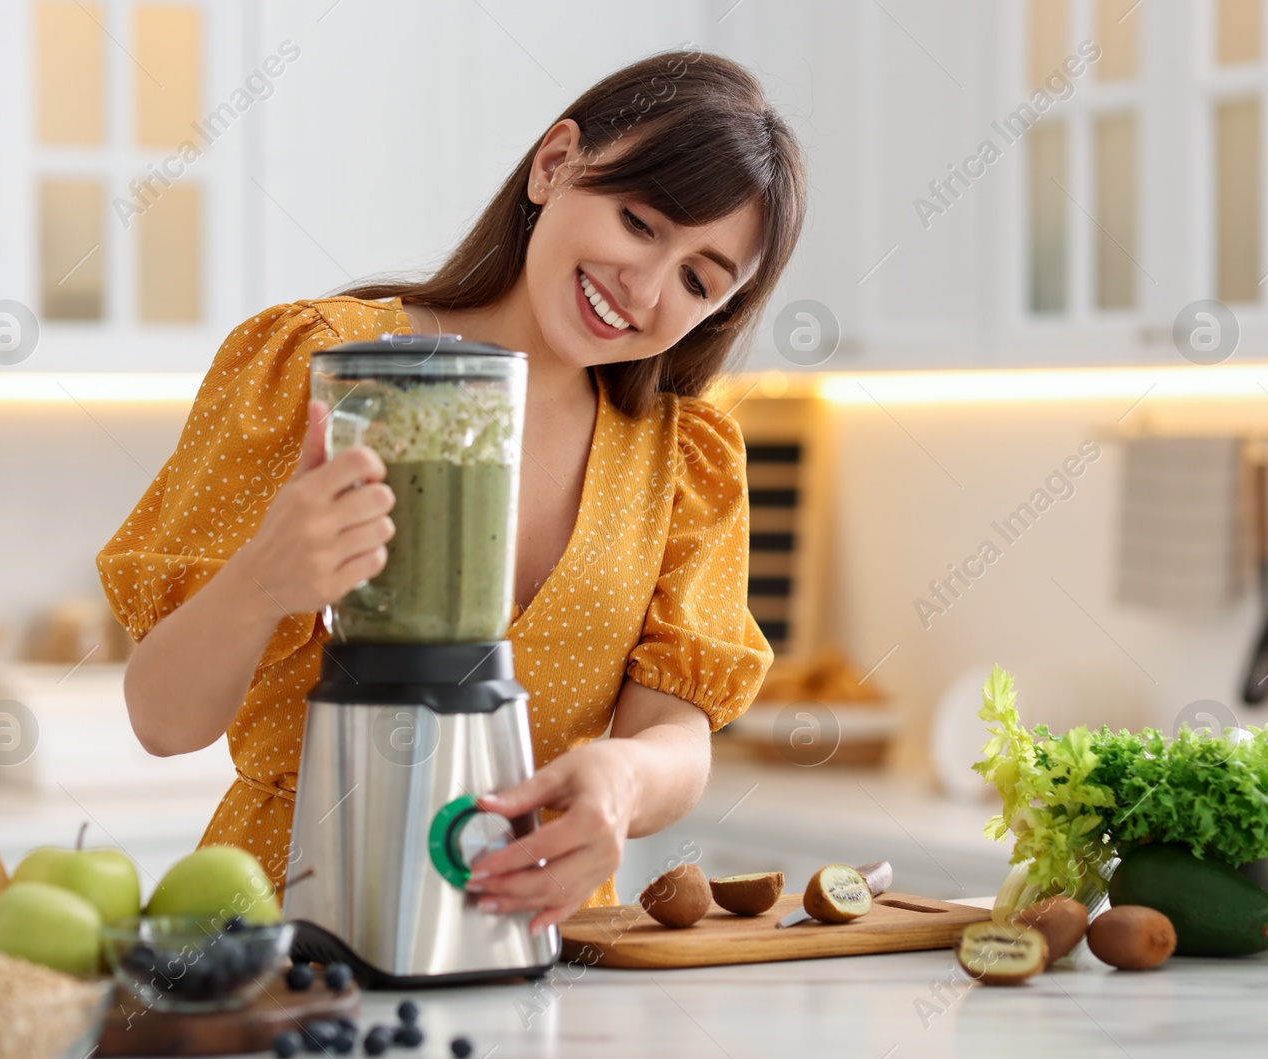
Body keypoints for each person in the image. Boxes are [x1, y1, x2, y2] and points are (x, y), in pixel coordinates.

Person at [96, 49, 807, 934]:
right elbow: (162, 720)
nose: (647, 286)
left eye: (700, 279)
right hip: (278, 934)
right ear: (555, 166)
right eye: (639, 222)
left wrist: (625, 779)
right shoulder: (319, 369)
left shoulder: (683, 461)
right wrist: (265, 578)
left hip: (536, 941)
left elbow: (676, 735)